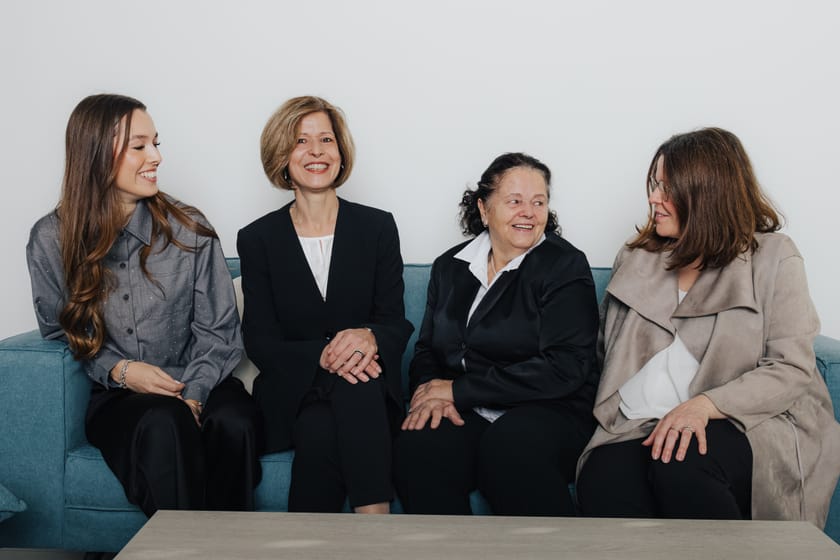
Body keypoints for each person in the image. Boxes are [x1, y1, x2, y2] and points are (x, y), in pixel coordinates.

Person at [576, 127, 840, 525]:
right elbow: (605, 351)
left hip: (747, 420)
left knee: (685, 464)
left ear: (706, 194)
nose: (653, 199)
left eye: (667, 189)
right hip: (640, 422)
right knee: (603, 477)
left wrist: (705, 406)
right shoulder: (636, 258)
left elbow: (791, 367)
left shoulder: (773, 257)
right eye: (654, 185)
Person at [26, 94, 263, 517]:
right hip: (120, 397)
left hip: (201, 382)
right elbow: (61, 329)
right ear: (97, 154)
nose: (155, 156)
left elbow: (220, 332)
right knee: (162, 423)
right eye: (139, 146)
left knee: (235, 423)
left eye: (156, 143)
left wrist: (192, 396)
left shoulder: (190, 228)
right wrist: (120, 370)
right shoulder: (51, 238)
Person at [393, 152, 600, 515]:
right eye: (515, 201)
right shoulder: (450, 267)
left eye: (539, 202)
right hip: (470, 410)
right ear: (484, 209)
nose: (529, 212)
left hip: (551, 408)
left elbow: (564, 368)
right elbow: (427, 350)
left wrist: (457, 390)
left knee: (509, 449)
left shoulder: (565, 266)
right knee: (421, 444)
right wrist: (432, 395)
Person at [237, 96, 413, 514]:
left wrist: (368, 337)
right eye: (301, 140)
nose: (316, 151)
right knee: (348, 392)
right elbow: (260, 341)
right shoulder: (258, 238)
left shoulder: (377, 227)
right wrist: (329, 353)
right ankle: (377, 532)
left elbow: (395, 322)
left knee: (330, 421)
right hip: (295, 392)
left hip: (367, 394)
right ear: (282, 155)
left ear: (341, 152)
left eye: (326, 139)